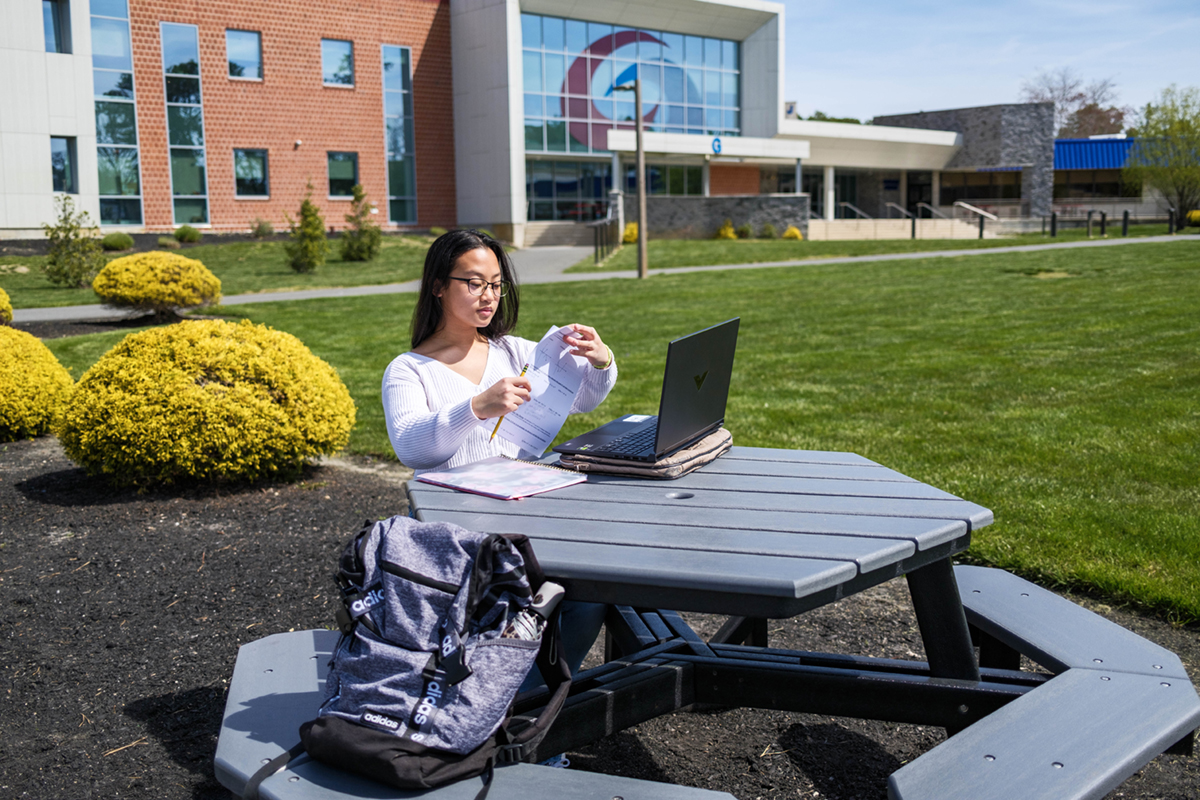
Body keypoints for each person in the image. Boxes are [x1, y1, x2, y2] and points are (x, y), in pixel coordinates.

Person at [381, 228, 615, 706]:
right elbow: (412, 447)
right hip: (456, 528)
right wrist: (477, 408)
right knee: (557, 596)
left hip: (525, 513)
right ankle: (496, 708)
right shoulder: (409, 370)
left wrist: (601, 360)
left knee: (597, 590)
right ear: (438, 286)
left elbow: (584, 399)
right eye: (473, 283)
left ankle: (521, 707)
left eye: (495, 284)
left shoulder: (516, 352)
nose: (487, 296)